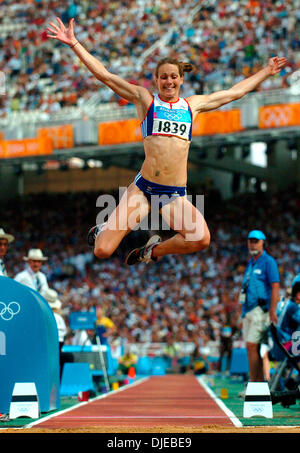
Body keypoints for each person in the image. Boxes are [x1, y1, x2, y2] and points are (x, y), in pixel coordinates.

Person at [46, 18, 287, 265]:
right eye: (163, 77)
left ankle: (153, 251)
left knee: (201, 239)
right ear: (157, 80)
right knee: (102, 251)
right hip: (143, 190)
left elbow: (235, 92)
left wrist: (265, 72)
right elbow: (105, 76)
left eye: (173, 77)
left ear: (181, 79)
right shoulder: (145, 100)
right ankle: (101, 230)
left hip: (173, 194)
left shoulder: (192, 106)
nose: (169, 81)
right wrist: (74, 43)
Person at [240, 230, 280, 382]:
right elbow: (245, 287)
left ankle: (256, 383)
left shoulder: (268, 261)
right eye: (250, 240)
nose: (253, 243)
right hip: (248, 310)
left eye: (256, 241)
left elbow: (275, 286)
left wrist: (272, 310)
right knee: (251, 347)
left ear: (263, 242)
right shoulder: (251, 263)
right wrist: (242, 311)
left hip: (260, 310)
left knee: (252, 345)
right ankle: (255, 383)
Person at [41, 287, 71, 378]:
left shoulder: (45, 316)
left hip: (48, 349)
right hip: (57, 348)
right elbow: (64, 334)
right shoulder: (59, 317)